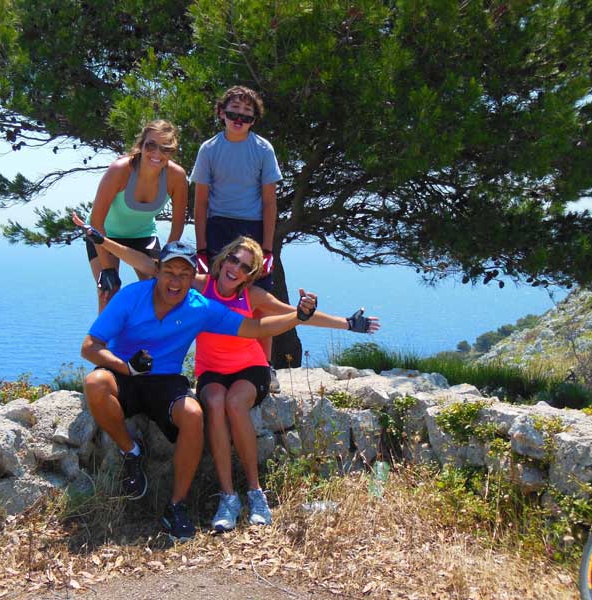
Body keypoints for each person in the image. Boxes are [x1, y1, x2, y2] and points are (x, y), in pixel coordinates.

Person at [73, 218, 381, 533]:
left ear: (252, 274)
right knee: (110, 384)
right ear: (222, 259)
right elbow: (145, 265)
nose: (236, 267)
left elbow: (264, 325)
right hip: (197, 372)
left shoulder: (217, 303)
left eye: (245, 266)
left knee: (217, 408)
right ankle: (184, 475)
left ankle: (222, 497)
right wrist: (102, 241)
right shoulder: (191, 286)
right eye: (233, 258)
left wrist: (335, 321)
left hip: (225, 372)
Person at [190, 86, 283, 390]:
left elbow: (270, 202)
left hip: (254, 229)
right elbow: (200, 203)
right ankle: (211, 367)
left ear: (254, 119)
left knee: (260, 301)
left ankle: (265, 367)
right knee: (216, 299)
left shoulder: (262, 149)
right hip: (218, 228)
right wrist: (202, 248)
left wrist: (268, 248)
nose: (238, 119)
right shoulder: (209, 149)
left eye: (246, 115)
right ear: (221, 114)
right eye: (232, 113)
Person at [85, 119, 188, 313]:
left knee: (159, 288)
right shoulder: (120, 170)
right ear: (141, 145)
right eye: (151, 145)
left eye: (165, 148)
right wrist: (108, 270)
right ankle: (101, 342)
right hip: (103, 235)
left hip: (143, 235)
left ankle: (149, 340)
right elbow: (96, 222)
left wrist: (166, 261)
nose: (157, 153)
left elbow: (177, 225)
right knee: (108, 290)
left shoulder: (176, 176)